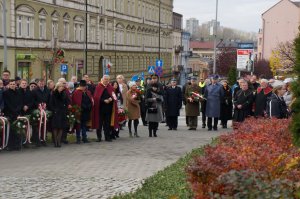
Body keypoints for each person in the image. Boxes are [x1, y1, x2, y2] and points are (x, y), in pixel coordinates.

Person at [92, 75, 118, 142]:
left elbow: (114, 97)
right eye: (105, 79)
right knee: (99, 124)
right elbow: (96, 98)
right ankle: (99, 137)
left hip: (108, 109)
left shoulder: (111, 87)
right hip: (100, 109)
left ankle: (107, 137)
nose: (106, 80)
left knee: (107, 124)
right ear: (102, 79)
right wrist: (103, 100)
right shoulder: (98, 87)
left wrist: (111, 99)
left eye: (107, 79)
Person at [3, 80, 23, 150]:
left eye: (13, 84)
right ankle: (10, 145)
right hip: (10, 113)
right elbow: (7, 104)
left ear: (16, 85)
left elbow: (21, 103)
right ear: (9, 85)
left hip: (18, 114)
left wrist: (17, 111)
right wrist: (14, 111)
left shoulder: (19, 92)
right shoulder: (6, 93)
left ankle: (17, 145)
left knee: (17, 129)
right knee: (11, 130)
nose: (12, 85)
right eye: (11, 84)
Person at [72, 80, 93, 144]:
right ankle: (78, 138)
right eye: (82, 87)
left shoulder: (88, 92)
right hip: (79, 111)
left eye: (84, 87)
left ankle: (84, 137)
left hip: (86, 111)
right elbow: (76, 102)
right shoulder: (76, 92)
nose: (84, 88)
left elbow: (90, 100)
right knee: (78, 125)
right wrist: (83, 106)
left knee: (84, 125)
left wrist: (89, 106)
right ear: (80, 86)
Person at [49, 82, 69, 147]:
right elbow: (51, 104)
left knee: (61, 127)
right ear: (57, 87)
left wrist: (65, 109)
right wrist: (54, 110)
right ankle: (55, 142)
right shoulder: (53, 94)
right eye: (60, 87)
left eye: (62, 87)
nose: (62, 88)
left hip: (62, 112)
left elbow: (67, 102)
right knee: (55, 127)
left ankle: (59, 141)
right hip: (56, 113)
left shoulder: (64, 94)